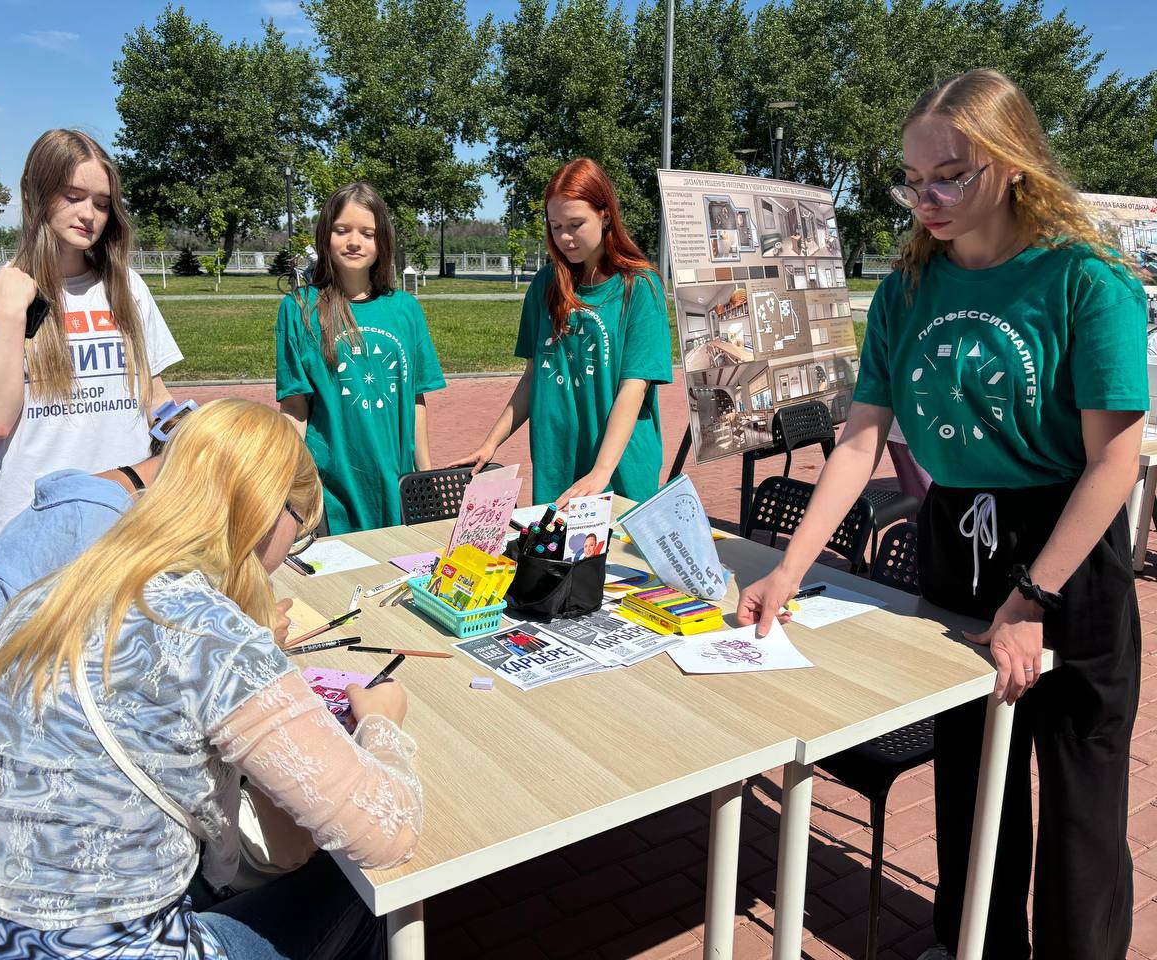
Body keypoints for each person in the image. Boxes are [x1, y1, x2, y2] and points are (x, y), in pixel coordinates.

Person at [737, 69, 1147, 960]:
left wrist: (1032, 597)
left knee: (1080, 799)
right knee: (970, 775)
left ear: (1011, 163)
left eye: (951, 177)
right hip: (956, 537)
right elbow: (859, 442)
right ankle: (976, 947)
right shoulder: (908, 289)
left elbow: (1114, 460)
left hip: (1066, 549)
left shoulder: (1086, 281)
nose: (927, 200)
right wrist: (788, 570)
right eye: (914, 181)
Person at [0, 399, 420, 960]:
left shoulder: (51, 594)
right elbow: (388, 832)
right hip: (118, 950)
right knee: (362, 889)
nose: (291, 549)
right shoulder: (213, 636)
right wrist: (382, 726)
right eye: (300, 530)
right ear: (268, 510)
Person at [0, 400, 241, 757]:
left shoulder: (102, 495)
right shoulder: (98, 528)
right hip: (12, 745)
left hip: (15, 714)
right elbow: (134, 672)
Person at [0, 129, 183, 546]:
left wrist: (198, 434)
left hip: (126, 517)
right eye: (73, 197)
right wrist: (10, 311)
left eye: (102, 203)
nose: (89, 214)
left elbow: (154, 395)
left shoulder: (127, 286)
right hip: (33, 528)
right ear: (31, 194)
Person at [452, 157, 673, 507]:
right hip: (558, 461)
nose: (565, 238)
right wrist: (491, 442)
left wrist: (600, 471)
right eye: (555, 226)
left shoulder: (640, 286)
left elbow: (634, 387)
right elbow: (533, 378)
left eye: (575, 224)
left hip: (618, 466)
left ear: (605, 215)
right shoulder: (545, 285)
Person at [276, 182, 445, 534]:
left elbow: (415, 400)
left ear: (382, 242)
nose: (354, 241)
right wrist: (287, 482)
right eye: (342, 230)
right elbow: (294, 407)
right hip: (330, 492)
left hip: (398, 486)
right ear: (325, 235)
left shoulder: (406, 309)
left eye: (367, 233)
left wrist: (425, 476)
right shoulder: (299, 308)